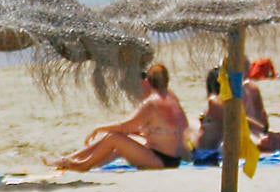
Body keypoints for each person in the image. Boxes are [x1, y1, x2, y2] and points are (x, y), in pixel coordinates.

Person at [46, 63, 189, 171]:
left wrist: (99, 128)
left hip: (161, 160)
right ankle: (70, 159)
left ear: (149, 81)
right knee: (113, 137)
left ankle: (82, 165)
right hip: (172, 157)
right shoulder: (172, 98)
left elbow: (125, 126)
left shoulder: (151, 103)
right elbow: (178, 127)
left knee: (113, 138)